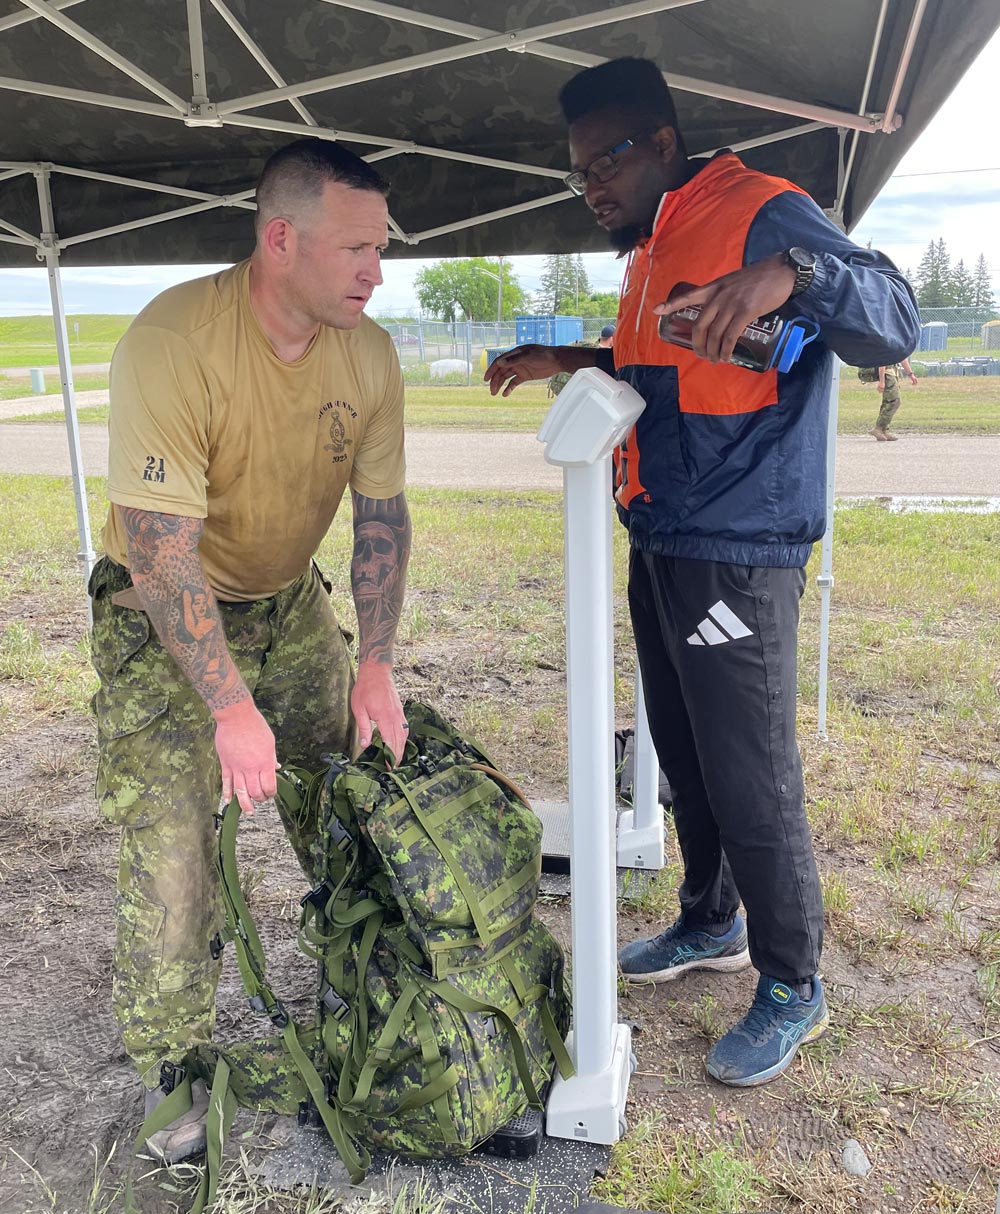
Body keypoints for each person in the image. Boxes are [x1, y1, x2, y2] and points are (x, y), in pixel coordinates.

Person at [486, 57, 919, 1087]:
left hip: (742, 546)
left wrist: (795, 273)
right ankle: (708, 919)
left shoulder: (765, 212)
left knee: (750, 772)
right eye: (580, 170)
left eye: (607, 160)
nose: (592, 183)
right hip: (661, 536)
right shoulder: (650, 249)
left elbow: (890, 314)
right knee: (681, 754)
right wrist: (569, 358)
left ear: (664, 143)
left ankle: (790, 980)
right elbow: (662, 370)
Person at [89, 138, 411, 1162]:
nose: (376, 269)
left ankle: (369, 983)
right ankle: (172, 1061)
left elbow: (380, 520)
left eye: (381, 248)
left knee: (351, 788)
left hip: (287, 601)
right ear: (283, 239)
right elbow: (158, 554)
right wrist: (231, 707)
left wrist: (375, 659)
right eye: (357, 247)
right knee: (176, 839)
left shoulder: (368, 354)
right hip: (162, 608)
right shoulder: (175, 340)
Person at [547, 323, 615, 397]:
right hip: (573, 386)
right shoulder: (602, 355)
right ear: (611, 338)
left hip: (561, 383)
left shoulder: (589, 348)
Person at [872, 356, 918, 440]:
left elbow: (902, 357)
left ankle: (884, 430)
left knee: (887, 402)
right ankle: (879, 428)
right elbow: (882, 361)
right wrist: (882, 381)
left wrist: (911, 374)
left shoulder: (897, 345)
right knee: (894, 401)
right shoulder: (889, 343)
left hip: (892, 374)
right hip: (887, 374)